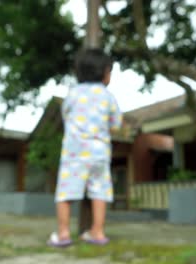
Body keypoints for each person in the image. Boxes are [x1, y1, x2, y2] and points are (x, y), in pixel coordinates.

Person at [47, 48, 123, 247]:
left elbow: (66, 115)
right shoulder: (108, 96)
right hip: (99, 153)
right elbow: (116, 124)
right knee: (100, 191)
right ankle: (97, 232)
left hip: (75, 151)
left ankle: (63, 233)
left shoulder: (73, 94)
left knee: (66, 191)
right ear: (105, 72)